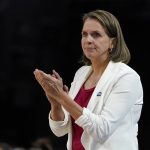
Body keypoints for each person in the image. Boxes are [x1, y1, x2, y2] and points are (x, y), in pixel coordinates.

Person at [33, 9, 143, 150]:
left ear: (113, 43)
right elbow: (60, 130)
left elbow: (101, 130)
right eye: (84, 34)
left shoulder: (127, 77)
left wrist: (61, 97)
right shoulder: (81, 73)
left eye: (96, 35)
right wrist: (56, 103)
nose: (88, 40)